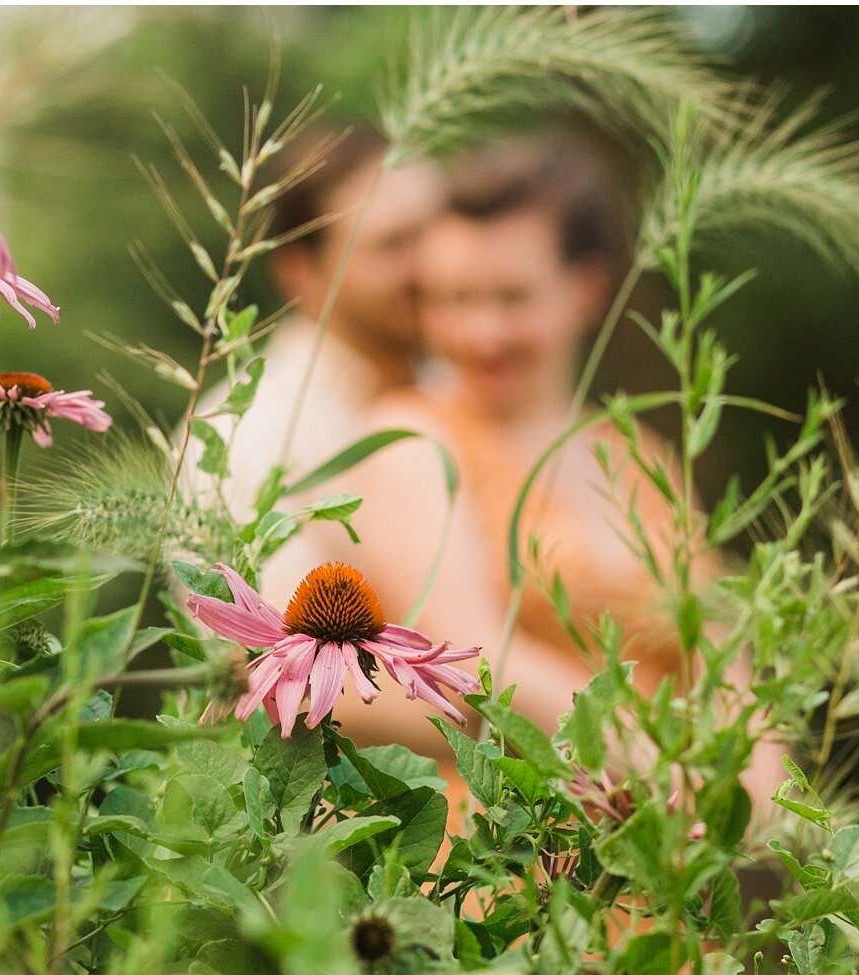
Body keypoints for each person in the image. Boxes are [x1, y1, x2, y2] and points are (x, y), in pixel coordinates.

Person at [377, 130, 788, 808]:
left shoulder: (640, 457)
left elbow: (723, 663)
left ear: (584, 291)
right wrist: (652, 760)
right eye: (452, 299)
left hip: (671, 858)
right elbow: (464, 654)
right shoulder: (411, 439)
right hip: (509, 853)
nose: (481, 334)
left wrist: (752, 797)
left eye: (511, 298)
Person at [186, 125, 599, 765]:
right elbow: (296, 683)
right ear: (304, 274)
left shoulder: (473, 389)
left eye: (430, 229)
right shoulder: (247, 436)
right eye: (392, 246)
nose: (430, 262)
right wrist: (580, 730)